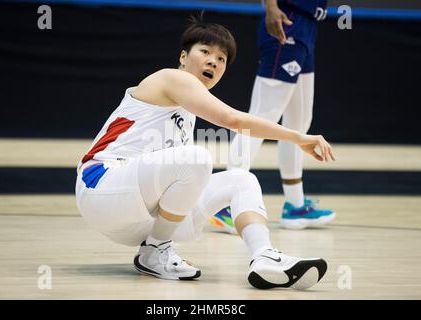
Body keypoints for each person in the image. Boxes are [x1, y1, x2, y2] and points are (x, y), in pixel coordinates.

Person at [75, 17, 335, 290]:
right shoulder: (170, 78)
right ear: (183, 57)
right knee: (197, 159)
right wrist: (298, 138)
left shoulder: (187, 112)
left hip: (137, 218)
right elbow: (234, 120)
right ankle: (156, 251)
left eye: (221, 58)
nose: (213, 61)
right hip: (101, 186)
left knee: (241, 179)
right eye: (205, 52)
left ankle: (263, 256)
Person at [210, 0, 335, 233]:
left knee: (299, 122)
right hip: (286, 21)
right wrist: (270, 6)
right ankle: (226, 204)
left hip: (308, 25)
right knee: (261, 118)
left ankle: (295, 204)